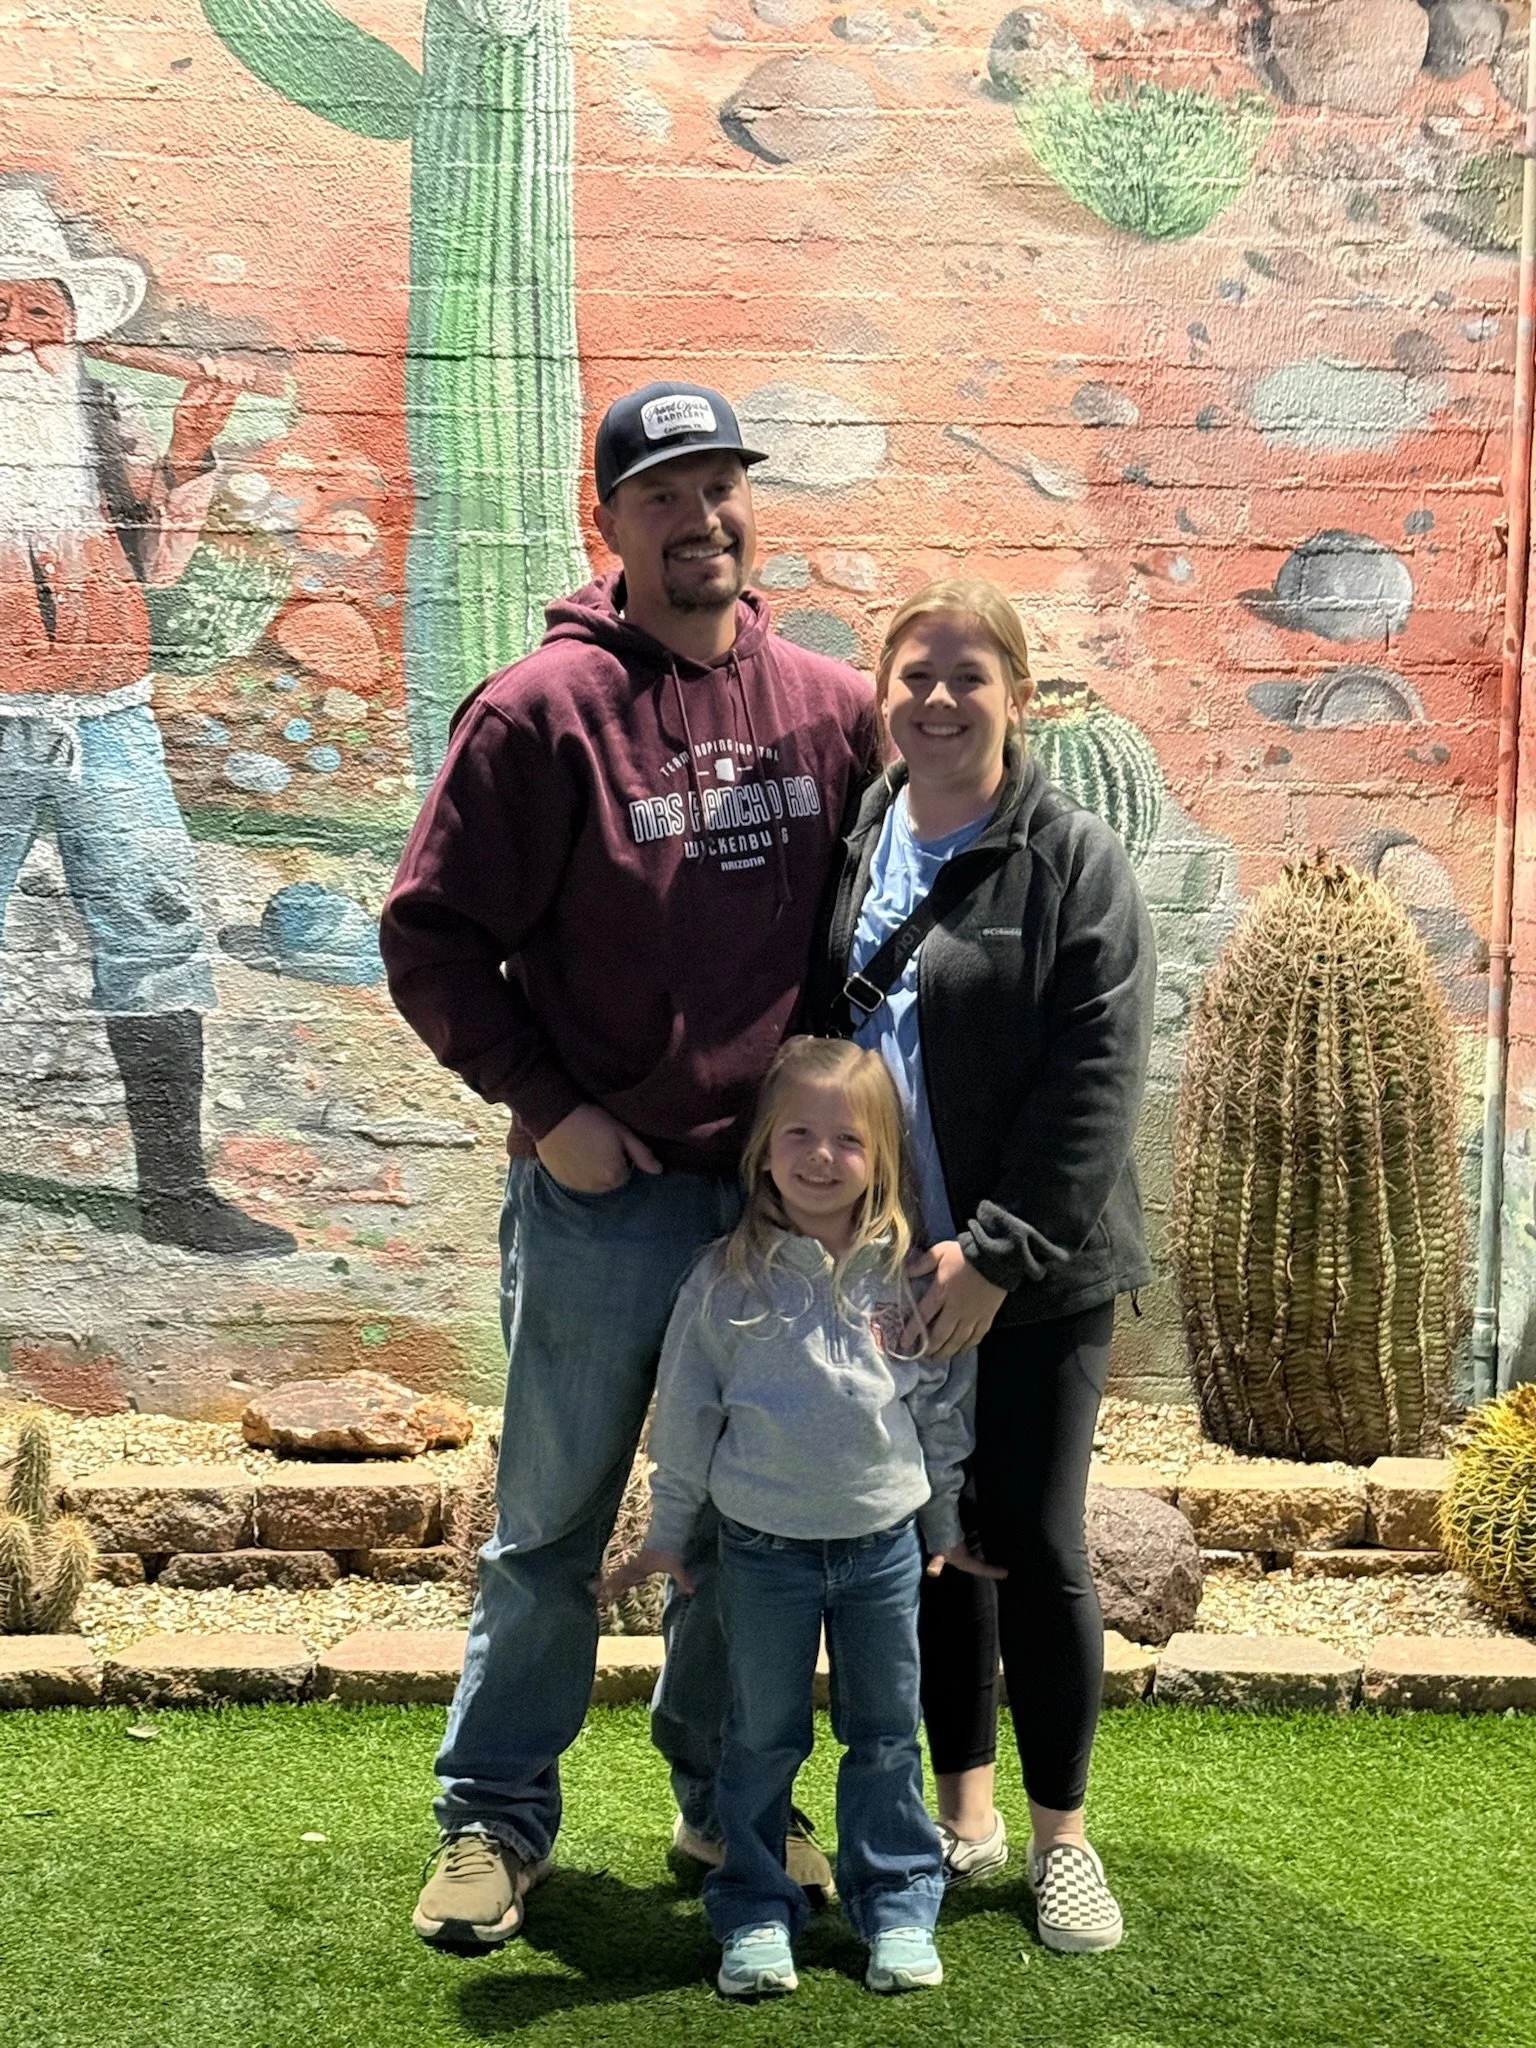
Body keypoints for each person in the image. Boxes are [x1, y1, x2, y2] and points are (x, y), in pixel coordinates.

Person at [380, 380, 880, 1950]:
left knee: (741, 1534)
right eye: (666, 491)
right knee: (552, 1527)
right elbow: (432, 939)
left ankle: (728, 1808)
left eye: (724, 484)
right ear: (612, 522)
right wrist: (549, 1108)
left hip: (767, 1219)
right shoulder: (540, 715)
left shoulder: (825, 708)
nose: (703, 516)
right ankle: (494, 1822)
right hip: (605, 1202)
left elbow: (881, 936)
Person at [810, 577, 1155, 1956]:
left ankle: (1065, 1839)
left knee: (1032, 1542)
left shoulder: (1071, 859)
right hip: (891, 1276)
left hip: (1034, 1277)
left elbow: (1096, 1078)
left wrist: (998, 1257)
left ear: (1016, 694)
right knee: (933, 1552)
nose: (940, 701)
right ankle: (967, 1818)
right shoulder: (862, 841)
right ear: (881, 693)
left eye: (968, 676)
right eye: (916, 676)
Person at [603, 1035, 1000, 1998]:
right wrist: (667, 1527)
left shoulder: (908, 1278)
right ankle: (752, 1908)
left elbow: (941, 1409)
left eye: (848, 1140)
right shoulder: (725, 1280)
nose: (822, 1157)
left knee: (886, 1736)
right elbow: (687, 1414)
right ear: (763, 1148)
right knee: (761, 1738)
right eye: (800, 1134)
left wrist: (942, 1522)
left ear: (885, 1157)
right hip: (762, 1555)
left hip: (882, 1553)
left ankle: (898, 1906)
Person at [0, 183, 292, 1257]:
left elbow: (159, 564)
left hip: (110, 717)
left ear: (71, 324)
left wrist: (193, 440)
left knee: (158, 934)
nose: (21, 341)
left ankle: (174, 1191)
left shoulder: (96, 418)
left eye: (39, 314)